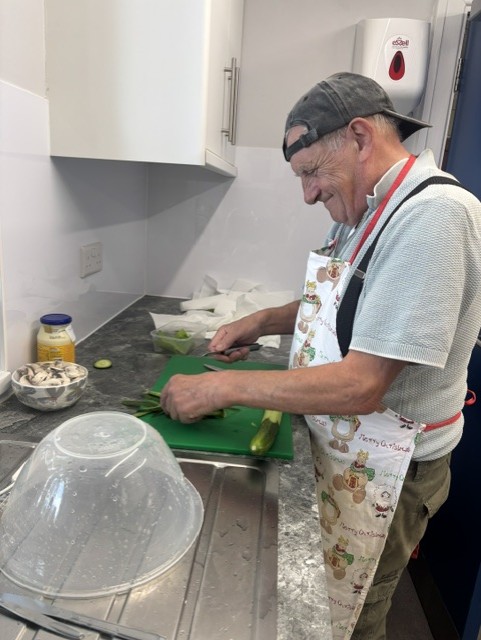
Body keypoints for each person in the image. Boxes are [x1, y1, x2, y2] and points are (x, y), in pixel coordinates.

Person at [160, 72, 481, 639]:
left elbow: (363, 384)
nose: (307, 194)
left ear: (360, 137)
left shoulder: (432, 218)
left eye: (311, 173)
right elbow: (335, 300)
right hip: (349, 448)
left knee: (355, 620)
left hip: (392, 467)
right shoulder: (369, 212)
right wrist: (259, 321)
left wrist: (219, 387)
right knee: (331, 606)